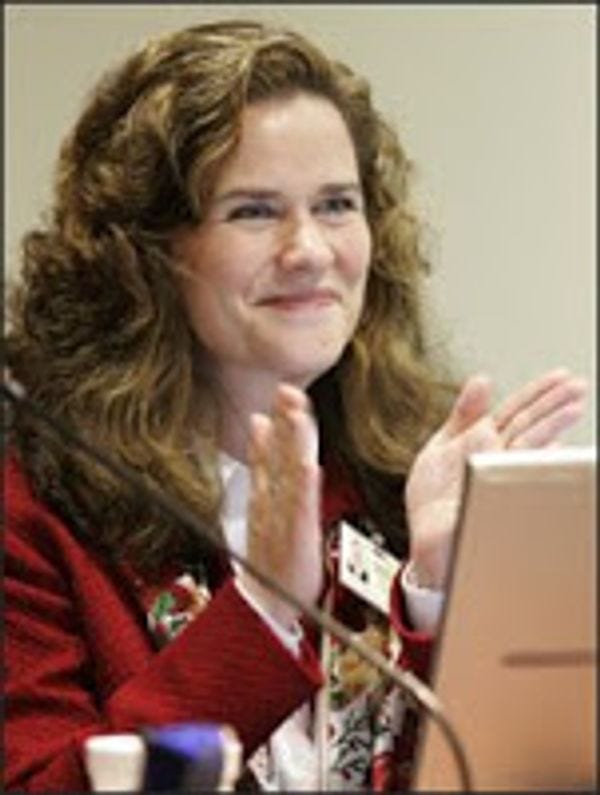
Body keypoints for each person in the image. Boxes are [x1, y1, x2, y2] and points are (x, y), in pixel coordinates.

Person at [4, 19, 587, 793]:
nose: (310, 250)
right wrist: (262, 610)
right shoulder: (31, 508)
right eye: (253, 210)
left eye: (337, 204)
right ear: (147, 254)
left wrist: (442, 591)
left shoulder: (408, 474)